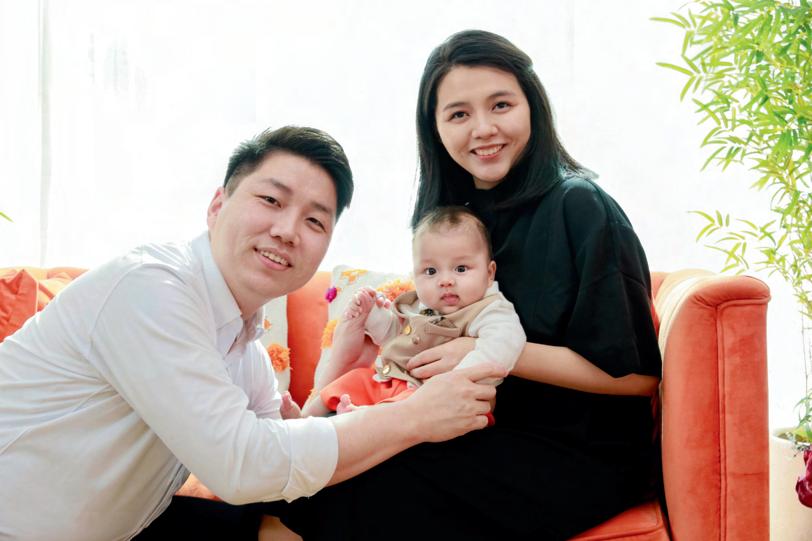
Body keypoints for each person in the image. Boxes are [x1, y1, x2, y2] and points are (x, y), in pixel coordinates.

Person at [0, 126, 505, 541]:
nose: (287, 230)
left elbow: (285, 455)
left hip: (127, 527)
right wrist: (415, 417)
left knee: (303, 522)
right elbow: (244, 466)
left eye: (315, 221)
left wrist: (341, 372)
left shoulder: (245, 348)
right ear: (217, 205)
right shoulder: (150, 287)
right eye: (270, 199)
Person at [265, 30, 662, 541]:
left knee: (344, 488)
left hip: (577, 455)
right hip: (474, 428)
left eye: (501, 105)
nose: (483, 129)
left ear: (533, 107)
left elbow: (637, 378)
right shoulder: (455, 222)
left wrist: (489, 352)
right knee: (307, 464)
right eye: (458, 114)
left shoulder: (580, 206)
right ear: (434, 129)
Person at [302, 206, 525, 418]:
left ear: (489, 273)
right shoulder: (420, 306)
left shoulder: (489, 310)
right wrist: (373, 315)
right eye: (431, 271)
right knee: (351, 381)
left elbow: (504, 343)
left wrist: (459, 377)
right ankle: (304, 421)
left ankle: (360, 420)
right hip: (392, 381)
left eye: (460, 269)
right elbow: (394, 338)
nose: (445, 280)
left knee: (403, 409)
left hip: (441, 398)